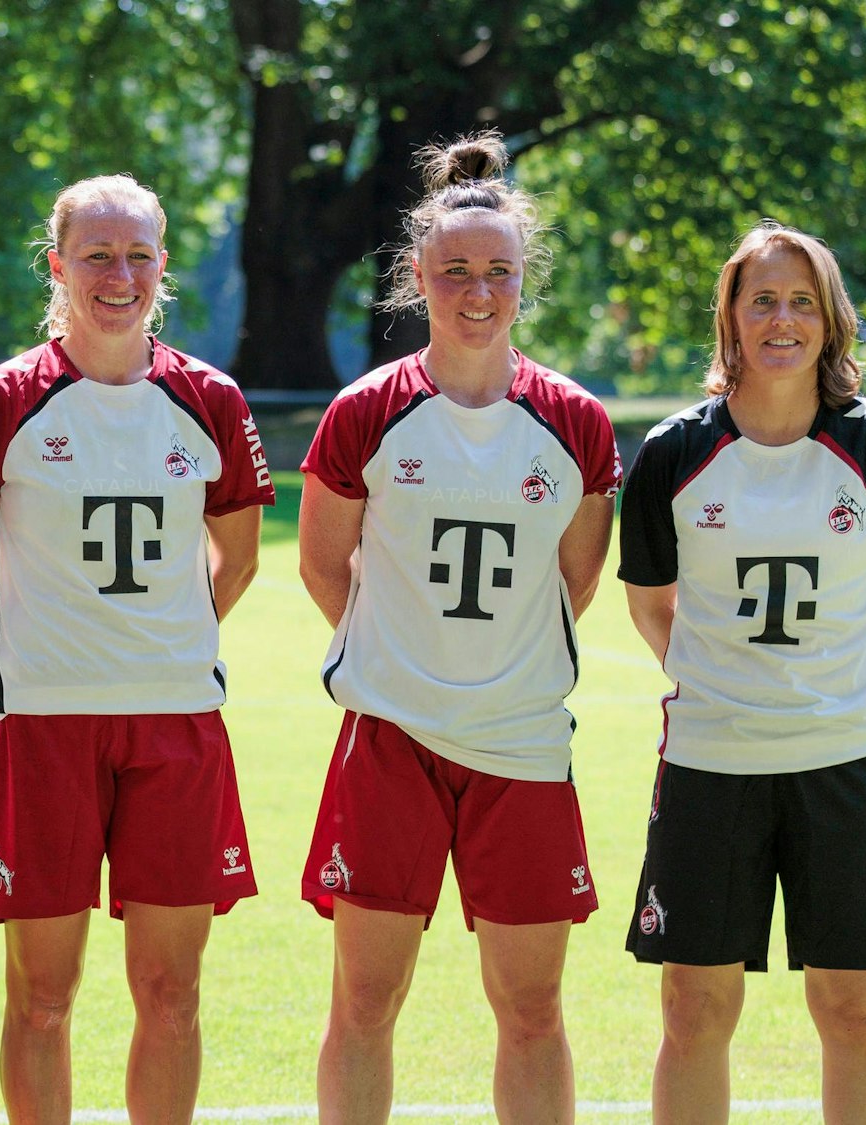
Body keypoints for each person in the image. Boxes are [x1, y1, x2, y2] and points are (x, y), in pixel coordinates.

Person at [0, 174, 272, 1125]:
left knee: (172, 993)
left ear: (162, 266)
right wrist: (16, 657)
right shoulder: (2, 399)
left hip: (175, 724)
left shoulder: (209, 399)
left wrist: (159, 641)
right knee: (42, 996)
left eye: (137, 255)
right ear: (58, 265)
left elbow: (236, 560)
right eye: (96, 255)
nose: (118, 275)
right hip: (40, 725)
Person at [294, 131, 619, 1125]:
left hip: (519, 745)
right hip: (388, 738)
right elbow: (320, 565)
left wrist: (492, 669)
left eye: (496, 273)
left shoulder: (574, 423)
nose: (476, 294)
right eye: (454, 273)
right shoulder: (365, 414)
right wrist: (406, 661)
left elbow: (574, 577)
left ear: (523, 279)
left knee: (529, 1011)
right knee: (363, 1004)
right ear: (415, 276)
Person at [619, 222, 866, 1123]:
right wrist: (726, 686)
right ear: (731, 316)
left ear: (830, 321)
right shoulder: (676, 450)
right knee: (694, 1008)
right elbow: (650, 604)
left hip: (842, 761)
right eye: (762, 299)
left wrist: (831, 686)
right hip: (712, 764)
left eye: (802, 300)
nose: (782, 319)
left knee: (856, 1010)